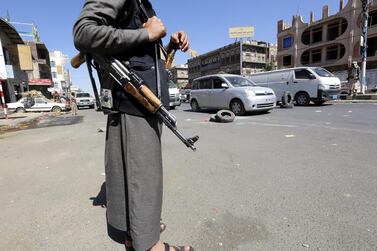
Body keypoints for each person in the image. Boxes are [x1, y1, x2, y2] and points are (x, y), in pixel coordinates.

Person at [73, 1, 192, 251]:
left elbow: (151, 60)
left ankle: (136, 236)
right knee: (143, 180)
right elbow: (83, 33)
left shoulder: (143, 4)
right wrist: (146, 33)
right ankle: (151, 246)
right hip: (132, 105)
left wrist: (169, 43)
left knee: (137, 181)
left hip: (145, 106)